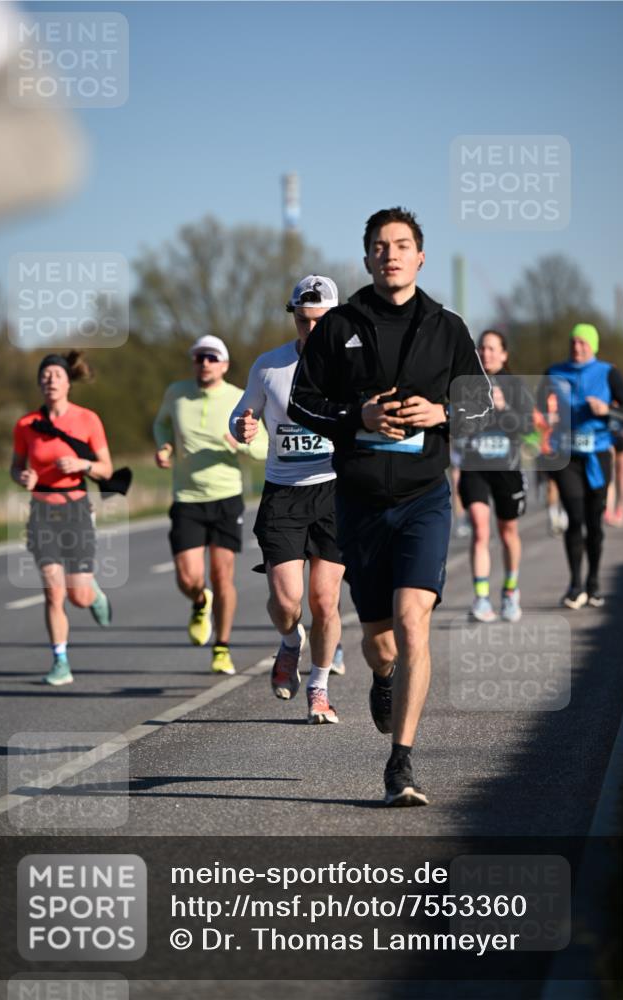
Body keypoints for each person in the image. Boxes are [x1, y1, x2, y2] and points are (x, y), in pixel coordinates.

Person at [288, 207, 493, 805]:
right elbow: (302, 404)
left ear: (420, 256)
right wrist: (359, 417)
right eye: (380, 246)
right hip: (359, 501)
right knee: (381, 642)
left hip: (424, 497)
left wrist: (444, 414)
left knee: (412, 622)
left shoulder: (447, 326)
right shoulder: (338, 326)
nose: (391, 254)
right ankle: (382, 677)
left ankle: (400, 763)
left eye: (402, 245)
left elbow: (483, 406)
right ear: (367, 257)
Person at [230, 275, 344, 725]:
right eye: (303, 321)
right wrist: (242, 425)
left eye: (320, 322)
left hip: (334, 489)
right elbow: (243, 411)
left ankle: (319, 688)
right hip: (283, 493)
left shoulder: (353, 367)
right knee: (286, 602)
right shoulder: (269, 366)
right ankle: (290, 642)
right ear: (293, 317)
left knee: (325, 600)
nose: (311, 332)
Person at [153, 335, 267, 674]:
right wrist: (164, 447)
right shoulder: (176, 393)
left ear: (225, 365)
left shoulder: (238, 398)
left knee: (222, 575)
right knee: (189, 578)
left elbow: (262, 448)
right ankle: (200, 601)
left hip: (226, 498)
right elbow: (161, 424)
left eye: (212, 358)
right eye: (200, 357)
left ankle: (222, 647)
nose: (205, 363)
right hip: (187, 498)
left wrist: (239, 444)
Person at [11, 352, 114, 686]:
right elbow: (16, 466)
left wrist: (82, 465)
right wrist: (22, 476)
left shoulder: (88, 420)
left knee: (77, 596)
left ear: (69, 381)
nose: (50, 379)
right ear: (40, 382)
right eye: (45, 375)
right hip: (41, 512)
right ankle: (60, 661)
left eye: (57, 374)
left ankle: (94, 595)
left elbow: (106, 469)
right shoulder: (26, 425)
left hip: (77, 509)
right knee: (53, 592)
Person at [546, 324, 623, 609]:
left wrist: (607, 410)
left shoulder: (608, 372)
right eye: (573, 342)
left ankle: (594, 583)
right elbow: (536, 410)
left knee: (594, 522)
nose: (577, 347)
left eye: (583, 342)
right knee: (575, 517)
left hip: (598, 455)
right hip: (566, 456)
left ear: (593, 346)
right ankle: (575, 585)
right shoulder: (554, 372)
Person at [458, 330, 534, 623]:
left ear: (504, 354)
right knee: (480, 528)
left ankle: (510, 592)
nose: (485, 353)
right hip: (475, 466)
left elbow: (527, 426)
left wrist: (503, 408)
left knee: (507, 532)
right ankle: (481, 599)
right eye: (482, 348)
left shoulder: (515, 386)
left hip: (506, 468)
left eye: (492, 349)